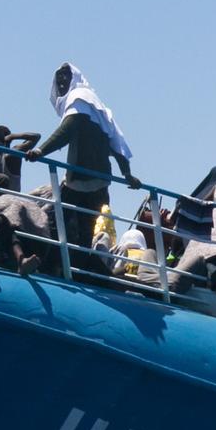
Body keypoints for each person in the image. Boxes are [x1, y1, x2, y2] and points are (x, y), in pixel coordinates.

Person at [26, 62, 138, 274]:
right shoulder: (98, 105)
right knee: (84, 234)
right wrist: (127, 174)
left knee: (56, 224)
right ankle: (83, 272)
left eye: (64, 79)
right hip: (100, 183)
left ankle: (50, 267)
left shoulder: (79, 99)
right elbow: (116, 143)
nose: (60, 84)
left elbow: (68, 130)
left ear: (73, 79)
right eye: (58, 79)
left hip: (79, 182)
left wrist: (41, 151)